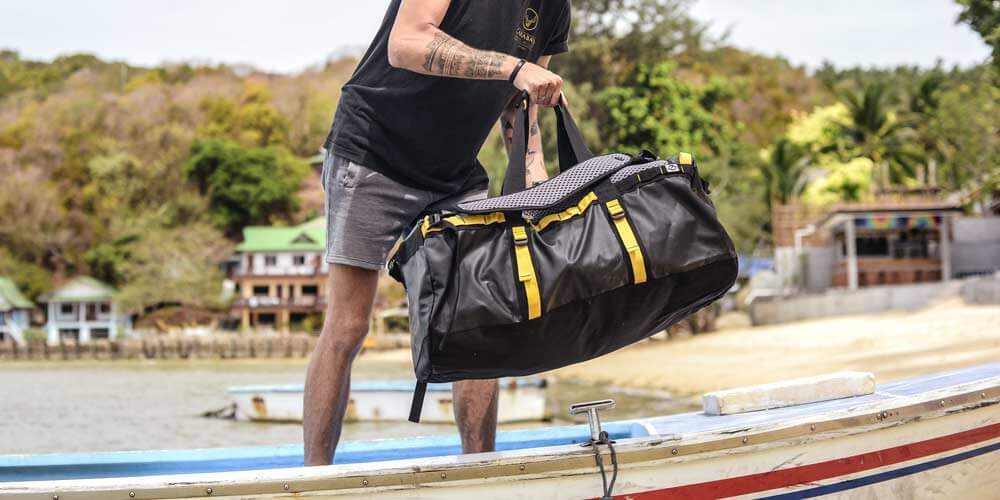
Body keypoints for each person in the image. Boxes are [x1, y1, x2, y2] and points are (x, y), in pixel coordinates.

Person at [303, 0, 573, 466]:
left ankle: (480, 470)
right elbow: (406, 43)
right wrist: (514, 68)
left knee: (480, 322)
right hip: (373, 151)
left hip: (455, 175)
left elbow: (519, 105)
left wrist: (538, 187)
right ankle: (315, 477)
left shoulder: (553, 7)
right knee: (348, 325)